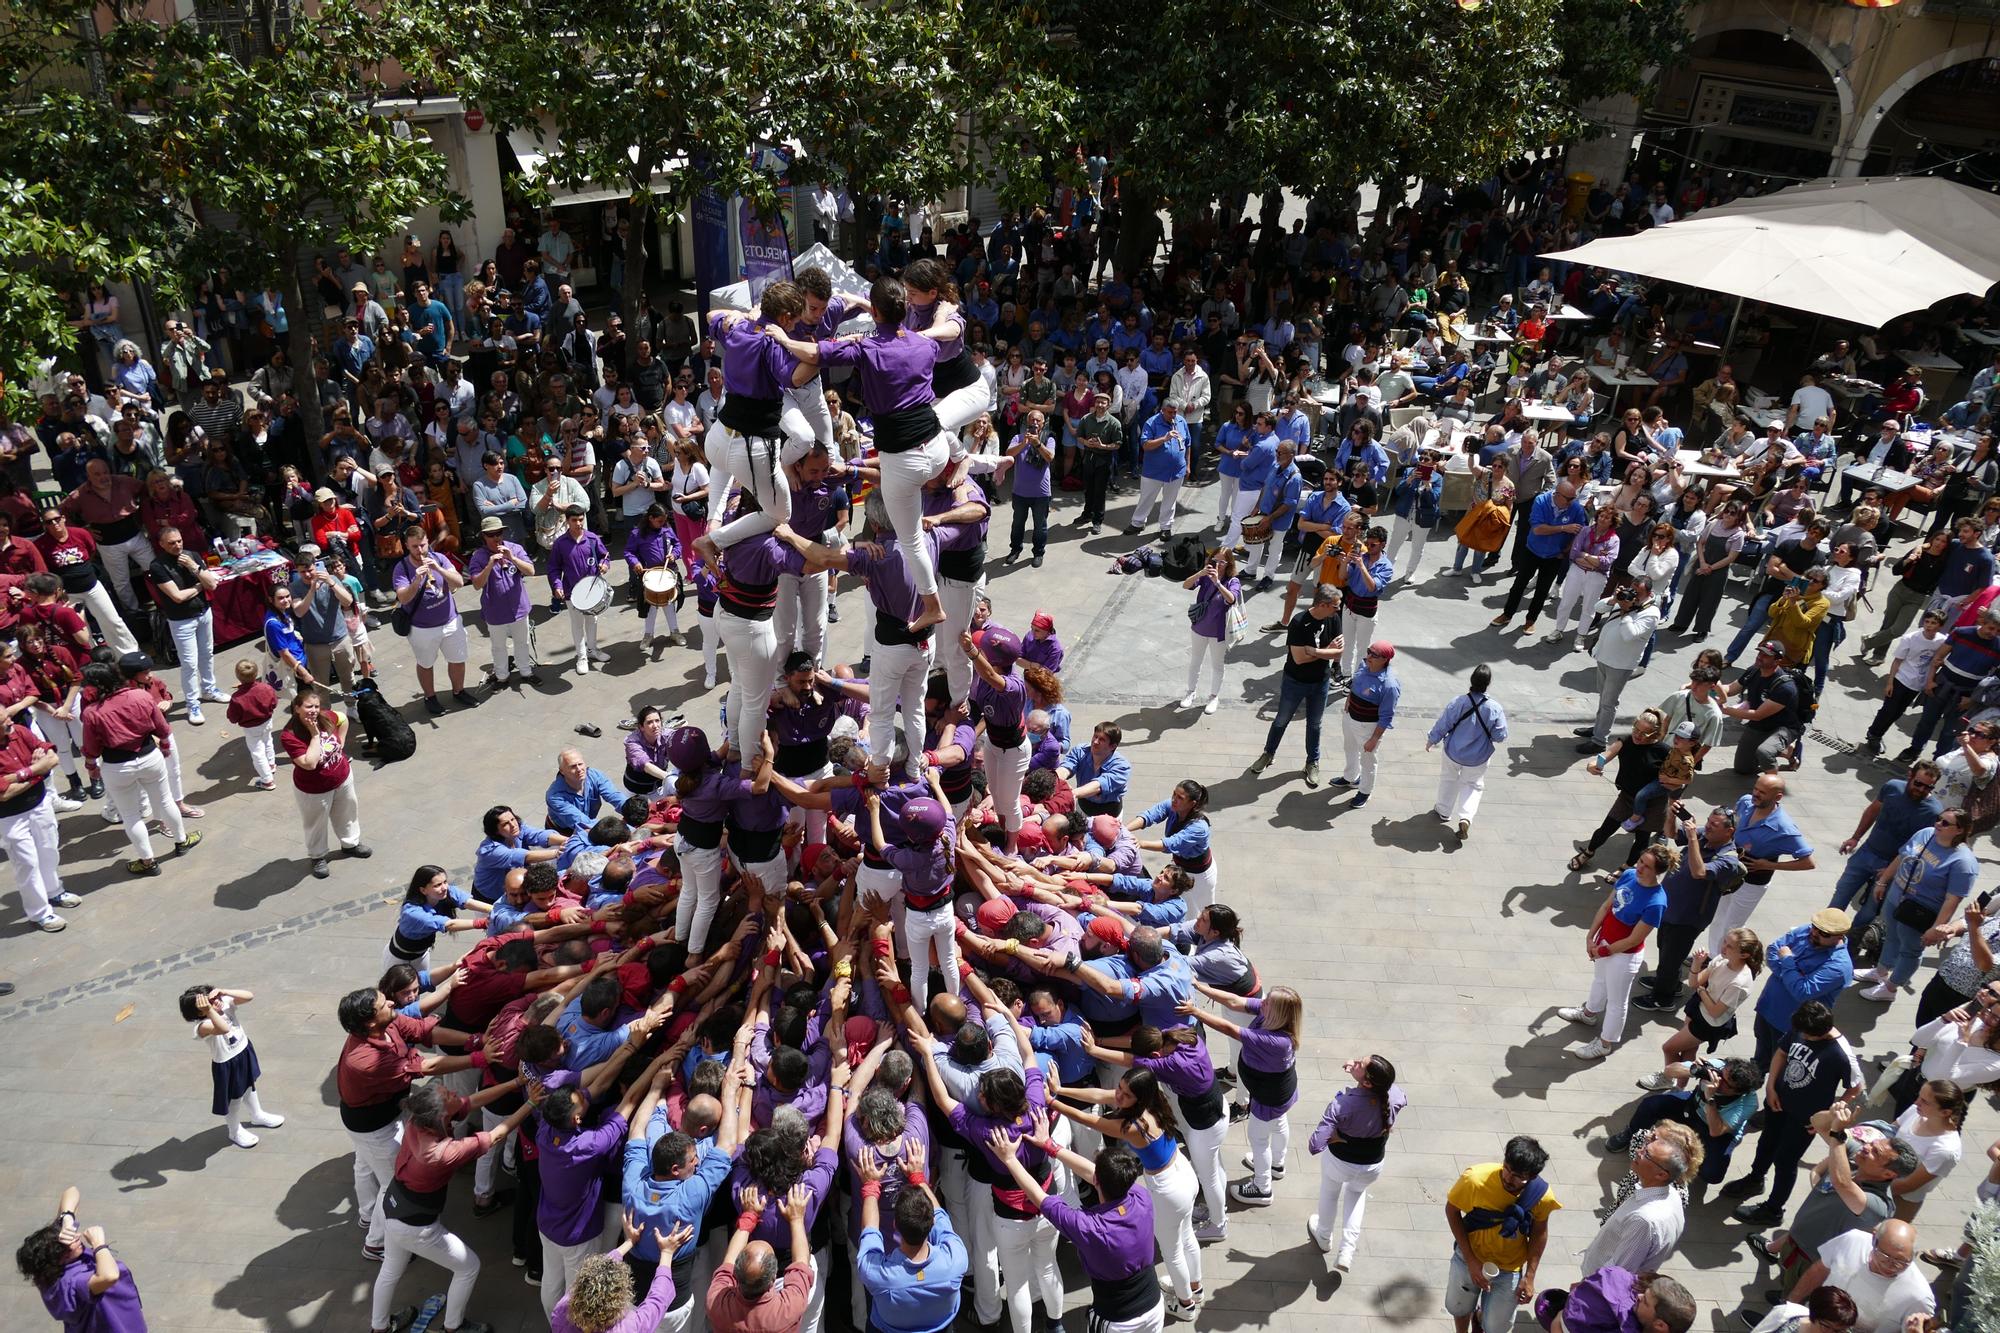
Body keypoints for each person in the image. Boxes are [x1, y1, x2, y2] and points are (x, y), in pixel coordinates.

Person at [366, 1080, 533, 1333]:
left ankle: (379, 1327)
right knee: (469, 1267)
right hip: (416, 1226)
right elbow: (497, 1135)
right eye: (448, 1094)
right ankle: (454, 1326)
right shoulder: (441, 1153)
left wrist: (517, 1082)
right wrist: (531, 1103)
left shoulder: (419, 1120)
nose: (454, 1092)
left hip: (392, 1206)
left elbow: (474, 1101)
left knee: (391, 1268)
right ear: (442, 1115)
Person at [1047, 1068, 1204, 1320]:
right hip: (1182, 1172)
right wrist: (1060, 1089)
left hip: (1168, 1189)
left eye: (1126, 1093)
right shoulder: (1152, 1102)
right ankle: (1195, 1287)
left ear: (1139, 1097)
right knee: (1186, 1236)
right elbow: (1100, 1095)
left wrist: (1052, 1102)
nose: (1118, 1095)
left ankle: (1185, 1304)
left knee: (1172, 1249)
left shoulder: (1133, 1126)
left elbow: (1090, 1120)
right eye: (1119, 1087)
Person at [987, 1126, 1166, 1333]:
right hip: (1154, 1306)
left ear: (1097, 1181)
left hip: (1117, 1321)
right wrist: (1050, 1146)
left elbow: (1039, 1197)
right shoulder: (1140, 1197)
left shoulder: (1089, 1228)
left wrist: (1009, 1159)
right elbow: (1093, 1173)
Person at [1184, 983, 1301, 1205]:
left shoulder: (1274, 1040)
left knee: (1258, 1139)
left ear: (1276, 1011)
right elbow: (1235, 1001)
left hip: (1268, 1097)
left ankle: (1262, 1187)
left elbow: (1230, 1029)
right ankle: (1277, 1163)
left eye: (1267, 1002)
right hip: (1281, 1092)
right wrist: (1200, 986)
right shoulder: (1279, 1020)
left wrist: (1196, 1012)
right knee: (1279, 1124)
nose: (1262, 1001)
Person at [1556, 842, 1675, 1060]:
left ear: (1657, 872)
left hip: (1623, 956)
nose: (1639, 867)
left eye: (1646, 866)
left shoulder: (1656, 901)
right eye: (1640, 861)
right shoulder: (1628, 875)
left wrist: (1604, 951)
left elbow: (1634, 939)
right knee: (1599, 981)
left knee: (1617, 1001)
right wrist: (1591, 936)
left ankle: (1604, 1043)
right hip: (1604, 944)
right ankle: (1589, 1014)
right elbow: (1606, 906)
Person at [80, 656, 196, 877]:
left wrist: (91, 767)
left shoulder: (92, 713)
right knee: (165, 800)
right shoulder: (140, 696)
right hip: (149, 757)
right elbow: (162, 729)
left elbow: (91, 749)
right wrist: (164, 745)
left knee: (131, 815)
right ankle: (182, 842)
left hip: (116, 767)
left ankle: (148, 862)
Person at [1854, 804, 1979, 1003]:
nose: (1938, 824)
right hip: (1896, 898)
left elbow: (1952, 900)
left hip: (1919, 912)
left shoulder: (1963, 862)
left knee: (1910, 950)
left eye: (1945, 823)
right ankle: (1880, 971)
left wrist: (1937, 928)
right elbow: (1902, 856)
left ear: (1960, 830)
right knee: (1891, 937)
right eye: (1939, 819)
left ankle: (1890, 988)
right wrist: (1883, 881)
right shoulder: (1926, 834)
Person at [1442, 1136, 1560, 1333]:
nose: (1508, 1177)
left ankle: (1480, 1318)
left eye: (1517, 1176)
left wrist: (1529, 1277)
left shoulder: (1543, 1197)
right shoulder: (1474, 1180)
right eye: (1506, 1168)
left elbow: (1540, 1232)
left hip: (1509, 1267)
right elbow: (1452, 1211)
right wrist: (1470, 1260)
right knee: (1459, 1307)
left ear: (1531, 1177)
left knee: (1497, 1327)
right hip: (1469, 1256)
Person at [1304, 1054, 1405, 1274]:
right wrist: (1357, 1072)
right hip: (1372, 1165)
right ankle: (1347, 1251)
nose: (1356, 1061)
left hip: (1340, 1162)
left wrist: (1336, 1136)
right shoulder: (1394, 1094)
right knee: (1356, 1195)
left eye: (1360, 1064)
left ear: (1367, 1082)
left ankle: (1323, 1236)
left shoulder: (1343, 1104)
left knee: (1330, 1193)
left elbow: (1314, 1144)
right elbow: (1398, 1097)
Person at [853, 1141, 965, 1333]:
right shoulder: (956, 1259)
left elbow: (870, 1231)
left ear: (895, 1225)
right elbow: (940, 1216)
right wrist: (918, 1177)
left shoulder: (878, 1275)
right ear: (931, 1226)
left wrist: (871, 1186)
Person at [15, 1186, 147, 1331]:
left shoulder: (49, 1267)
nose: (76, 1237)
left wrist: (66, 1218)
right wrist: (99, 1245)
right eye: (65, 1247)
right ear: (57, 1261)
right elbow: (109, 1276)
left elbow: (72, 1191)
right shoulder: (73, 1282)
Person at [1247, 584, 1342, 785]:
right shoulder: (1299, 623)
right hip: (1295, 681)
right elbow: (1298, 659)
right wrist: (1326, 651)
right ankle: (1268, 754)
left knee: (1315, 724)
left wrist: (1314, 652)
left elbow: (1338, 653)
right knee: (1281, 719)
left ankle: (1312, 762)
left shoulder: (1333, 618)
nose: (1338, 609)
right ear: (1324, 605)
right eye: (1335, 606)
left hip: (1321, 682)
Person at [0, 703, 77, 933]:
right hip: (11, 817)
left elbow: (51, 758)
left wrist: (15, 777)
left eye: (8, 717)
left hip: (40, 805)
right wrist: (35, 771)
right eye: (4, 721)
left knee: (49, 849)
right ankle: (40, 913)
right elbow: (3, 795)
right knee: (27, 864)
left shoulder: (20, 732)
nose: (10, 722)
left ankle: (54, 891)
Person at [279, 686, 371, 879]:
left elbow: (343, 719)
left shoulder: (326, 717)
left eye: (316, 706)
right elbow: (309, 763)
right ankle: (318, 856)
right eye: (308, 707)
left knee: (347, 813)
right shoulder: (290, 735)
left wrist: (342, 742)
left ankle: (351, 844)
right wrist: (314, 735)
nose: (313, 710)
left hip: (342, 778)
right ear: (296, 708)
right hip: (314, 790)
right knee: (316, 824)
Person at [180, 984, 284, 1149]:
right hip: (227, 1063)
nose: (218, 1001)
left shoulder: (223, 1004)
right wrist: (210, 1010)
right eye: (211, 1001)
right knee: (234, 1098)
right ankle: (234, 1131)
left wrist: (224, 992)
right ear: (201, 1011)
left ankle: (257, 1114)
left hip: (243, 1051)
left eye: (216, 997)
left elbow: (249, 996)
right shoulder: (203, 1026)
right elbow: (223, 1028)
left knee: (249, 1085)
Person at [393, 524, 477, 714]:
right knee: (426, 663)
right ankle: (430, 697)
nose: (420, 550)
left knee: (457, 659)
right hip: (422, 628)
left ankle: (459, 691)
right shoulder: (402, 568)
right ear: (407, 545)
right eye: (415, 546)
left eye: (423, 545)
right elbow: (404, 598)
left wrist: (439, 568)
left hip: (450, 621)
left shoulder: (439, 558)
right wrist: (416, 581)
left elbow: (459, 582)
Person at [145, 524, 224, 722]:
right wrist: (200, 584)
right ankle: (192, 704)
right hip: (181, 620)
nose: (177, 545)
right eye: (171, 543)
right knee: (189, 663)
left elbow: (213, 584)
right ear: (162, 544)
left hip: (204, 612)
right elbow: (177, 597)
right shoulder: (157, 566)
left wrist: (194, 567)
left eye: (179, 541)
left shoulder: (192, 556)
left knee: (207, 654)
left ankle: (209, 689)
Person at [1578, 1137, 1686, 1275]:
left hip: (1597, 1289)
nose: (1638, 1151)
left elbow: (1619, 1272)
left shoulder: (1643, 1221)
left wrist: (1586, 1287)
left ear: (1661, 1174)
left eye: (1646, 1154)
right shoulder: (1672, 1195)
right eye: (1644, 1147)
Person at [465, 515, 539, 686]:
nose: (496, 538)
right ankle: (502, 677)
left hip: (518, 607)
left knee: (522, 642)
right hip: (495, 611)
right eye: (491, 534)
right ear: (484, 536)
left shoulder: (515, 548)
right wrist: (489, 565)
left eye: (499, 533)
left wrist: (512, 558)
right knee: (498, 647)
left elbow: (531, 571)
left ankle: (526, 672)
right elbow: (477, 584)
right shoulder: (479, 556)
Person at [1334, 640, 1400, 808]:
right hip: (1350, 718)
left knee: (1368, 760)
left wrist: (1374, 739)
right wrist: (1348, 703)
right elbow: (1354, 685)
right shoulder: (1364, 666)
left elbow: (1386, 716)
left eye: (1374, 655)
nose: (1368, 656)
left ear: (1384, 659)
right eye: (1369, 651)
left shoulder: (1389, 685)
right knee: (1349, 748)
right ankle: (1350, 777)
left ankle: (1365, 791)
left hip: (1368, 727)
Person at [549, 506, 612, 674]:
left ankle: (593, 650)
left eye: (581, 519)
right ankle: (581, 656)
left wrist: (604, 565)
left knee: (592, 621)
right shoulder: (560, 544)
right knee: (577, 624)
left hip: (592, 590)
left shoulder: (592, 539)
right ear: (567, 521)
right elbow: (554, 569)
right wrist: (557, 586)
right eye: (574, 520)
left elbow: (605, 556)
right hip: (572, 592)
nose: (578, 523)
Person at [1179, 550, 1239, 716]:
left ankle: (1214, 697)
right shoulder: (1205, 576)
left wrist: (1218, 583)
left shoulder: (1233, 581)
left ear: (1229, 565)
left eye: (1222, 562)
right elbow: (1186, 585)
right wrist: (1201, 572)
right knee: (1195, 661)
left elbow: (1232, 599)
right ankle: (1190, 691)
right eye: (1215, 560)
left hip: (1218, 632)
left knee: (1217, 664)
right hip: (1199, 627)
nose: (1217, 565)